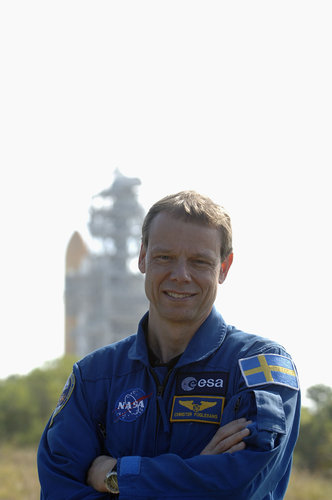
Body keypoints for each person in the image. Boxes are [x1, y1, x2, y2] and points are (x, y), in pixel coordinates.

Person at [37, 190, 301, 499]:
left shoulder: (259, 366)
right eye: (165, 257)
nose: (180, 275)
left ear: (224, 267)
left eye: (200, 262)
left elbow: (239, 486)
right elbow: (60, 489)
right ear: (142, 257)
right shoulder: (94, 377)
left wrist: (117, 476)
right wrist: (198, 475)